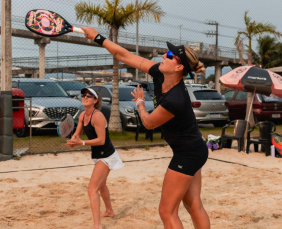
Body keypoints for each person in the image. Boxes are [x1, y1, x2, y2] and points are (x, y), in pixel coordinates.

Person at [81, 27, 210, 229]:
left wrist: (140, 103)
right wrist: (98, 37)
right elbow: (124, 55)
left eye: (170, 55)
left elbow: (149, 123)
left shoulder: (175, 99)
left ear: (179, 68)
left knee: (167, 211)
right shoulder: (159, 72)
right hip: (195, 149)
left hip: (188, 154)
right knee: (193, 205)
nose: (163, 56)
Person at [66, 87, 124, 229]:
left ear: (95, 100)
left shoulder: (97, 116)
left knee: (92, 189)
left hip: (107, 155)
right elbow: (77, 134)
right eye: (83, 95)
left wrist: (82, 143)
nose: (85, 97)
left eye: (89, 96)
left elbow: (102, 140)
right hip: (98, 155)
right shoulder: (82, 115)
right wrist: (73, 140)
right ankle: (109, 210)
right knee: (101, 185)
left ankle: (97, 225)